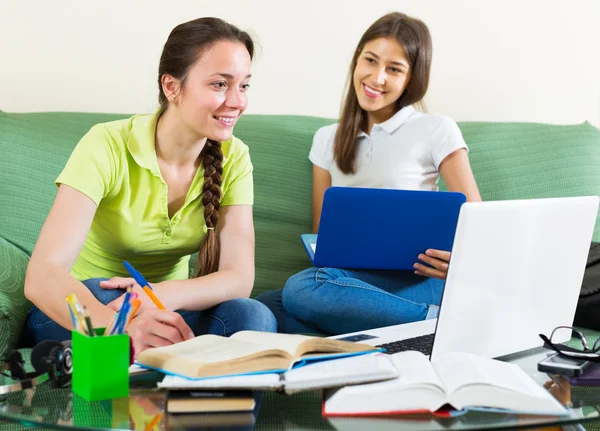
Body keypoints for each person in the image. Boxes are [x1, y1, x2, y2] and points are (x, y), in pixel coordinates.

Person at [23, 17, 276, 356]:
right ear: (172, 87)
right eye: (219, 85)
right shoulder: (106, 144)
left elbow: (239, 276)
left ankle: (212, 408)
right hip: (90, 309)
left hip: (164, 306)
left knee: (252, 315)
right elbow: (42, 277)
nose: (237, 101)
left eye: (243, 86)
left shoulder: (235, 157)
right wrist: (121, 327)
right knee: (102, 292)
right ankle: (128, 355)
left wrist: (155, 295)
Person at [256, 12, 481, 335]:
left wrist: (457, 259)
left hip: (420, 279)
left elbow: (478, 221)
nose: (377, 78)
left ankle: (438, 324)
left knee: (302, 289)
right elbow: (322, 234)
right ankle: (385, 332)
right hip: (349, 279)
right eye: (370, 61)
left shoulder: (436, 129)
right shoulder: (326, 139)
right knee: (267, 305)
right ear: (356, 62)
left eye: (394, 69)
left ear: (412, 78)